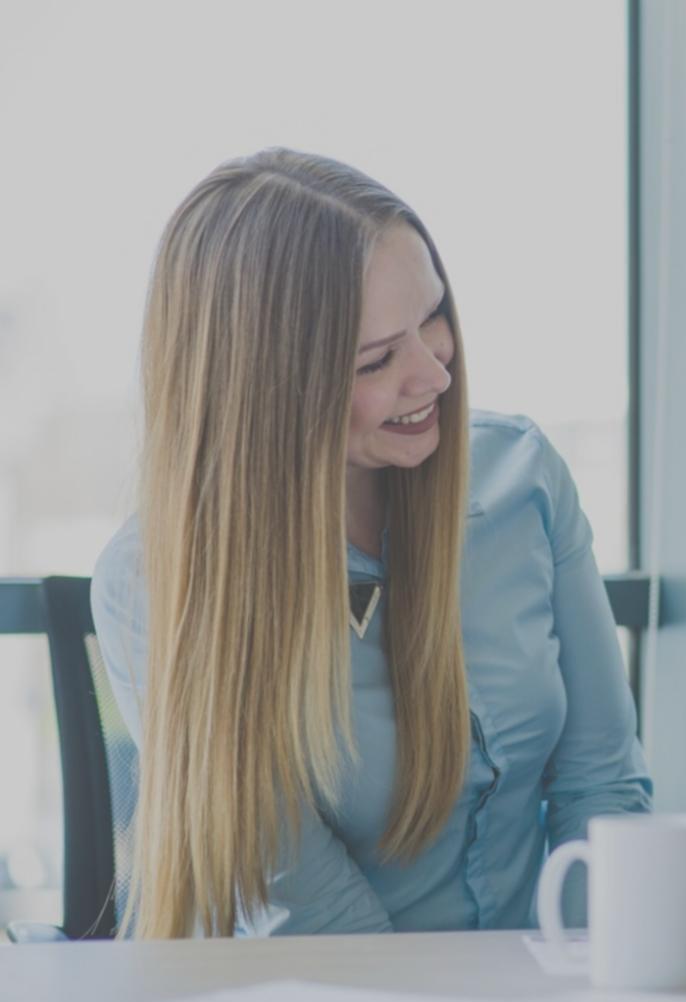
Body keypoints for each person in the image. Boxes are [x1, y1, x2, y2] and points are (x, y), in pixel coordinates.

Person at [92, 149, 650, 939]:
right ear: (268, 391)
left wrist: (597, 981)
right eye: (377, 360)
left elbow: (604, 782)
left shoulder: (522, 477)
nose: (434, 375)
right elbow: (303, 905)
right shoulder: (156, 581)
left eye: (433, 320)